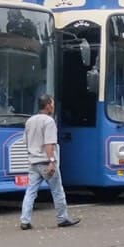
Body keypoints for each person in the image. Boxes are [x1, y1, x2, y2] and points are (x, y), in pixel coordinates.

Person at [19, 94, 80, 230]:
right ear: (47, 105)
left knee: (30, 192)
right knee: (57, 191)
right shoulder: (49, 122)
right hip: (46, 162)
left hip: (33, 162)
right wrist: (52, 161)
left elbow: (25, 141)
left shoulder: (30, 121)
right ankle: (62, 218)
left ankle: (25, 220)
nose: (53, 106)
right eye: (52, 104)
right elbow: (49, 144)